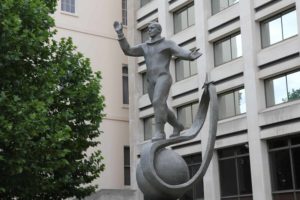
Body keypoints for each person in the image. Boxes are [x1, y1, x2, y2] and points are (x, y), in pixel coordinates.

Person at [113, 21, 202, 141]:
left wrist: (190, 55)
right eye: (148, 28)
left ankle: (160, 132)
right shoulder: (145, 46)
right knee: (160, 106)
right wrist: (120, 35)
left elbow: (179, 51)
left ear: (159, 30)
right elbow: (128, 50)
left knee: (157, 101)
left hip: (163, 77)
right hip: (151, 81)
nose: (149, 30)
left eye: (152, 28)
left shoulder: (167, 44)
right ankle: (177, 125)